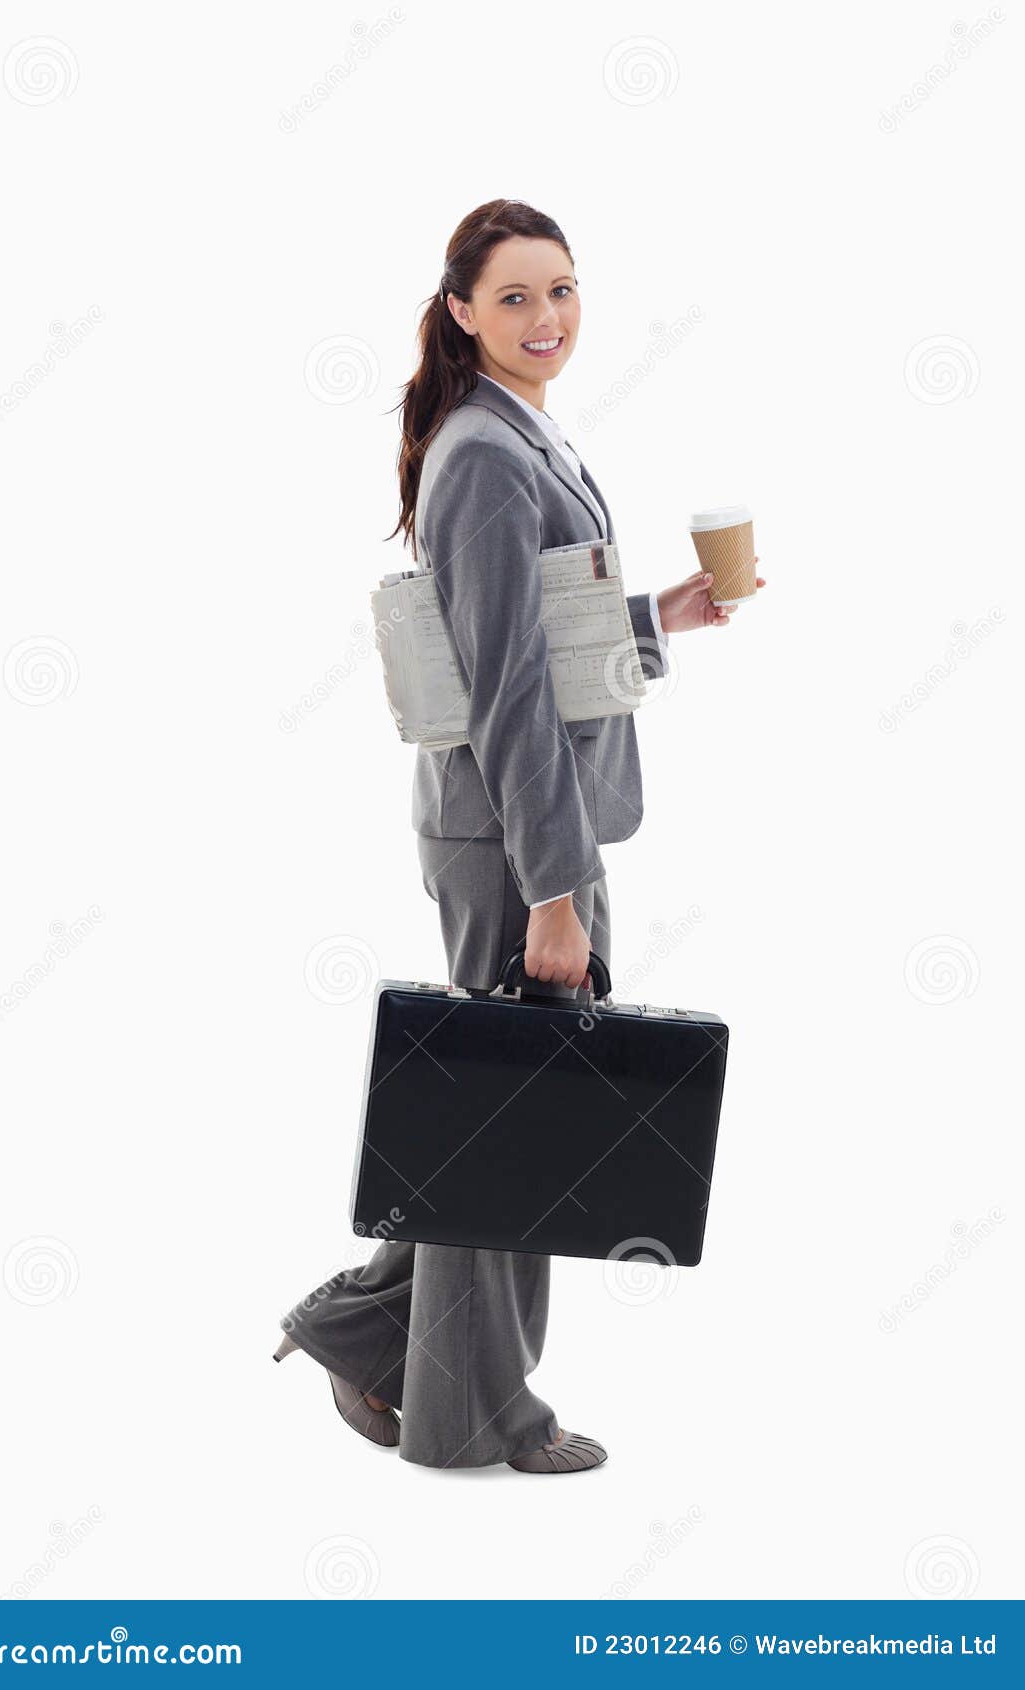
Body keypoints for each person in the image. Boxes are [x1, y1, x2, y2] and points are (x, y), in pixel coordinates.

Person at [276, 198, 765, 1474]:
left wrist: (658, 619)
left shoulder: (510, 428)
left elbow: (540, 644)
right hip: (514, 844)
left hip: (522, 832)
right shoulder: (485, 456)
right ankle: (472, 1413)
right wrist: (553, 889)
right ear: (458, 311)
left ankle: (361, 1330)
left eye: (562, 290)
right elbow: (500, 690)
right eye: (512, 299)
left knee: (490, 1110)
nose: (546, 319)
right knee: (507, 1126)